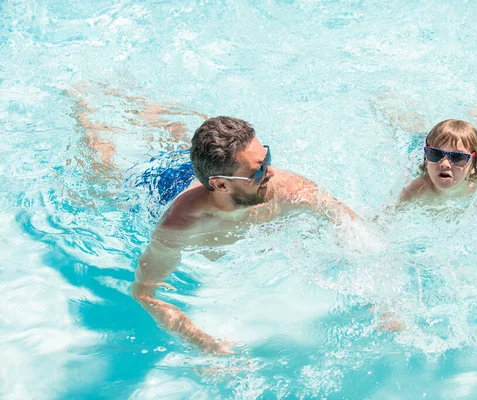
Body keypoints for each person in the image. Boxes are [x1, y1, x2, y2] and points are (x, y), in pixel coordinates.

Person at [130, 116, 357, 354]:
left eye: (266, 159)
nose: (270, 173)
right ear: (221, 186)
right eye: (257, 172)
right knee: (104, 158)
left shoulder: (286, 188)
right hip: (160, 183)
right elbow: (144, 293)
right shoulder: (179, 227)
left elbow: (349, 224)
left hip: (213, 170)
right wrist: (202, 341)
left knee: (170, 124)